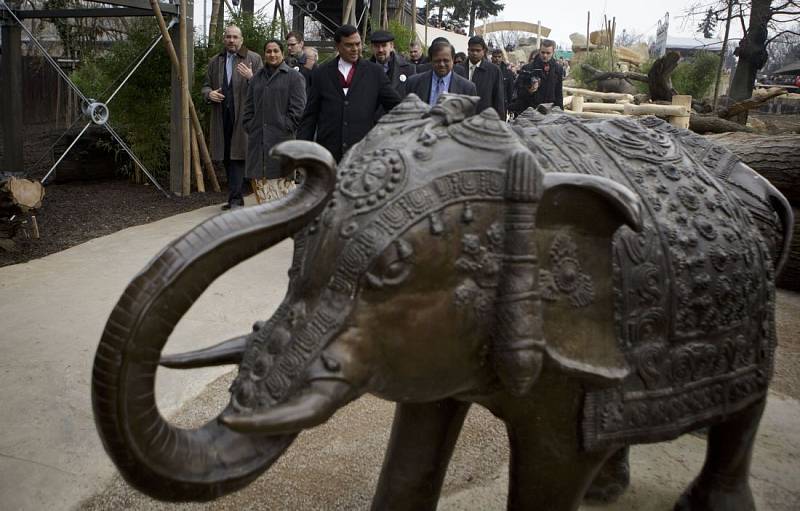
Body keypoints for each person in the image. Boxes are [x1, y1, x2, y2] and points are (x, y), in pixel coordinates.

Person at [298, 24, 401, 162]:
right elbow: (310, 116)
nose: (355, 49)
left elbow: (397, 106)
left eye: (358, 44)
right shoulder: (321, 74)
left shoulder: (374, 72)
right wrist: (302, 152)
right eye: (349, 45)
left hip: (364, 156)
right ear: (338, 46)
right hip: (329, 156)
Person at [202, 25, 263, 210]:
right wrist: (209, 94)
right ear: (224, 39)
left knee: (237, 155)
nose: (231, 40)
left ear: (241, 39)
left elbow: (265, 88)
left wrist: (251, 77)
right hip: (221, 115)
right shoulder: (215, 61)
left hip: (243, 117)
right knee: (226, 156)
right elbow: (205, 86)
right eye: (228, 36)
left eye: (235, 37)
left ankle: (236, 199)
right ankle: (235, 197)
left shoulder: (253, 58)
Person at [242, 39, 306, 203]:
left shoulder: (294, 77)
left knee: (285, 198)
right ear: (265, 54)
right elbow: (248, 107)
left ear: (282, 53)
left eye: (276, 51)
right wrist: (250, 125)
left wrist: (286, 126)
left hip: (282, 141)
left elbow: (298, 109)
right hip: (258, 142)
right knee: (262, 198)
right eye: (269, 51)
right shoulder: (257, 78)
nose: (272, 54)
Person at [405, 40, 476, 106]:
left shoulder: (467, 88)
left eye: (446, 60)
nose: (442, 64)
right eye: (437, 61)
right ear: (431, 60)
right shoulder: (413, 83)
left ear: (453, 60)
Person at [509, 39, 564, 116]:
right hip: (531, 111)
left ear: (553, 52)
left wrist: (560, 112)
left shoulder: (558, 69)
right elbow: (519, 92)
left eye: (548, 53)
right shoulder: (527, 68)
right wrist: (529, 90)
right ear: (539, 51)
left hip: (550, 112)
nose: (545, 55)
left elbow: (558, 93)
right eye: (543, 52)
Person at [465, 35, 505, 117]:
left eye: (478, 50)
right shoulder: (459, 69)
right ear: (468, 50)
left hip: (484, 119)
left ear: (483, 51)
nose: (475, 53)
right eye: (472, 50)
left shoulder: (494, 71)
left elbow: (498, 99)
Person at [369, 30, 416, 97]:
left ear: (391, 46)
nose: (380, 50)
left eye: (384, 45)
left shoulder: (409, 69)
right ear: (372, 48)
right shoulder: (363, 70)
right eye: (376, 46)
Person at [491, 48, 514, 114]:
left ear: (502, 58)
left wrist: (509, 107)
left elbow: (510, 90)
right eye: (495, 57)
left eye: (499, 57)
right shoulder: (487, 71)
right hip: (489, 103)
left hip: (503, 103)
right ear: (492, 58)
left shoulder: (508, 72)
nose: (497, 58)